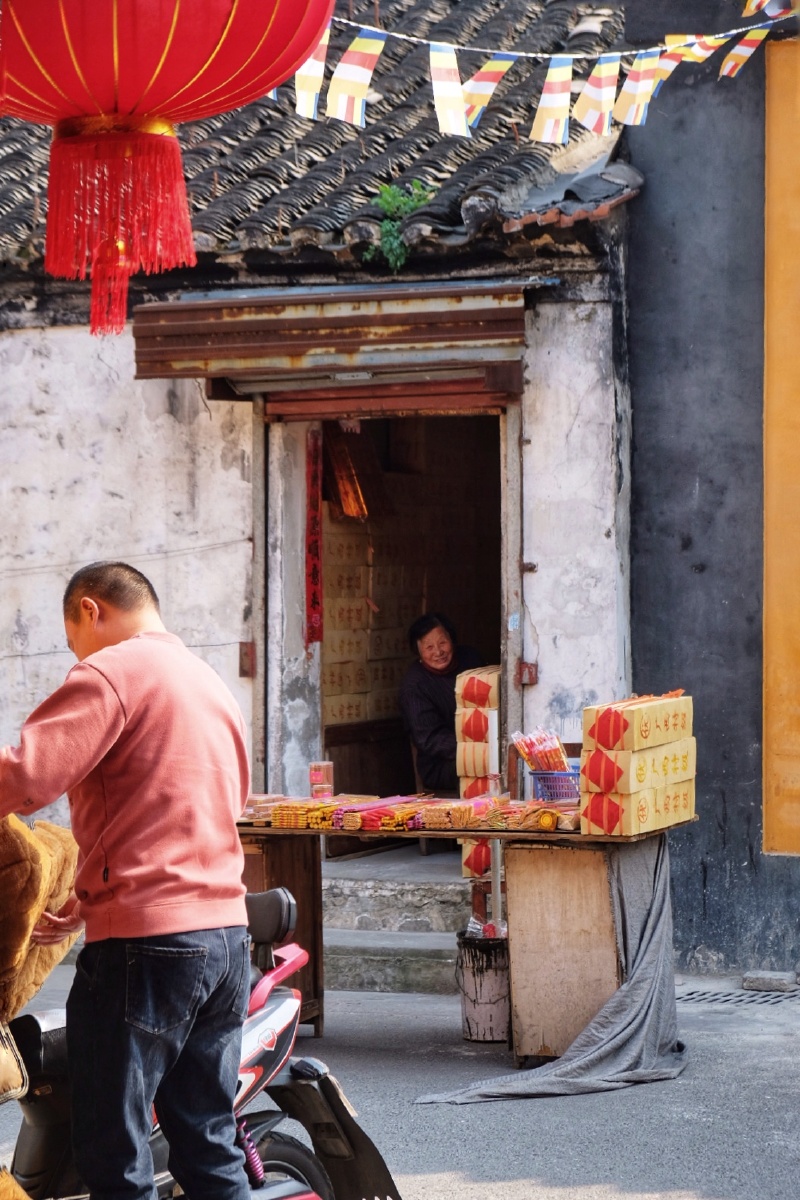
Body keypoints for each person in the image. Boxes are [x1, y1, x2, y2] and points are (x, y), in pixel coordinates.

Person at [0, 561, 252, 1200]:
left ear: (91, 610)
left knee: (115, 1154)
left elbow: (25, 776)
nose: (74, 659)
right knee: (208, 1145)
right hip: (225, 939)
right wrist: (88, 898)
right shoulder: (210, 684)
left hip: (148, 949)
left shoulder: (110, 672)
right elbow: (185, 813)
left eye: (70, 642)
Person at [398, 612, 484, 793]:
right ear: (418, 651)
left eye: (443, 642)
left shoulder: (470, 659)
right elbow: (429, 739)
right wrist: (472, 751)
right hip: (441, 763)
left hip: (482, 748)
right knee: (487, 768)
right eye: (429, 647)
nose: (438, 652)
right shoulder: (415, 686)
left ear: (452, 640)